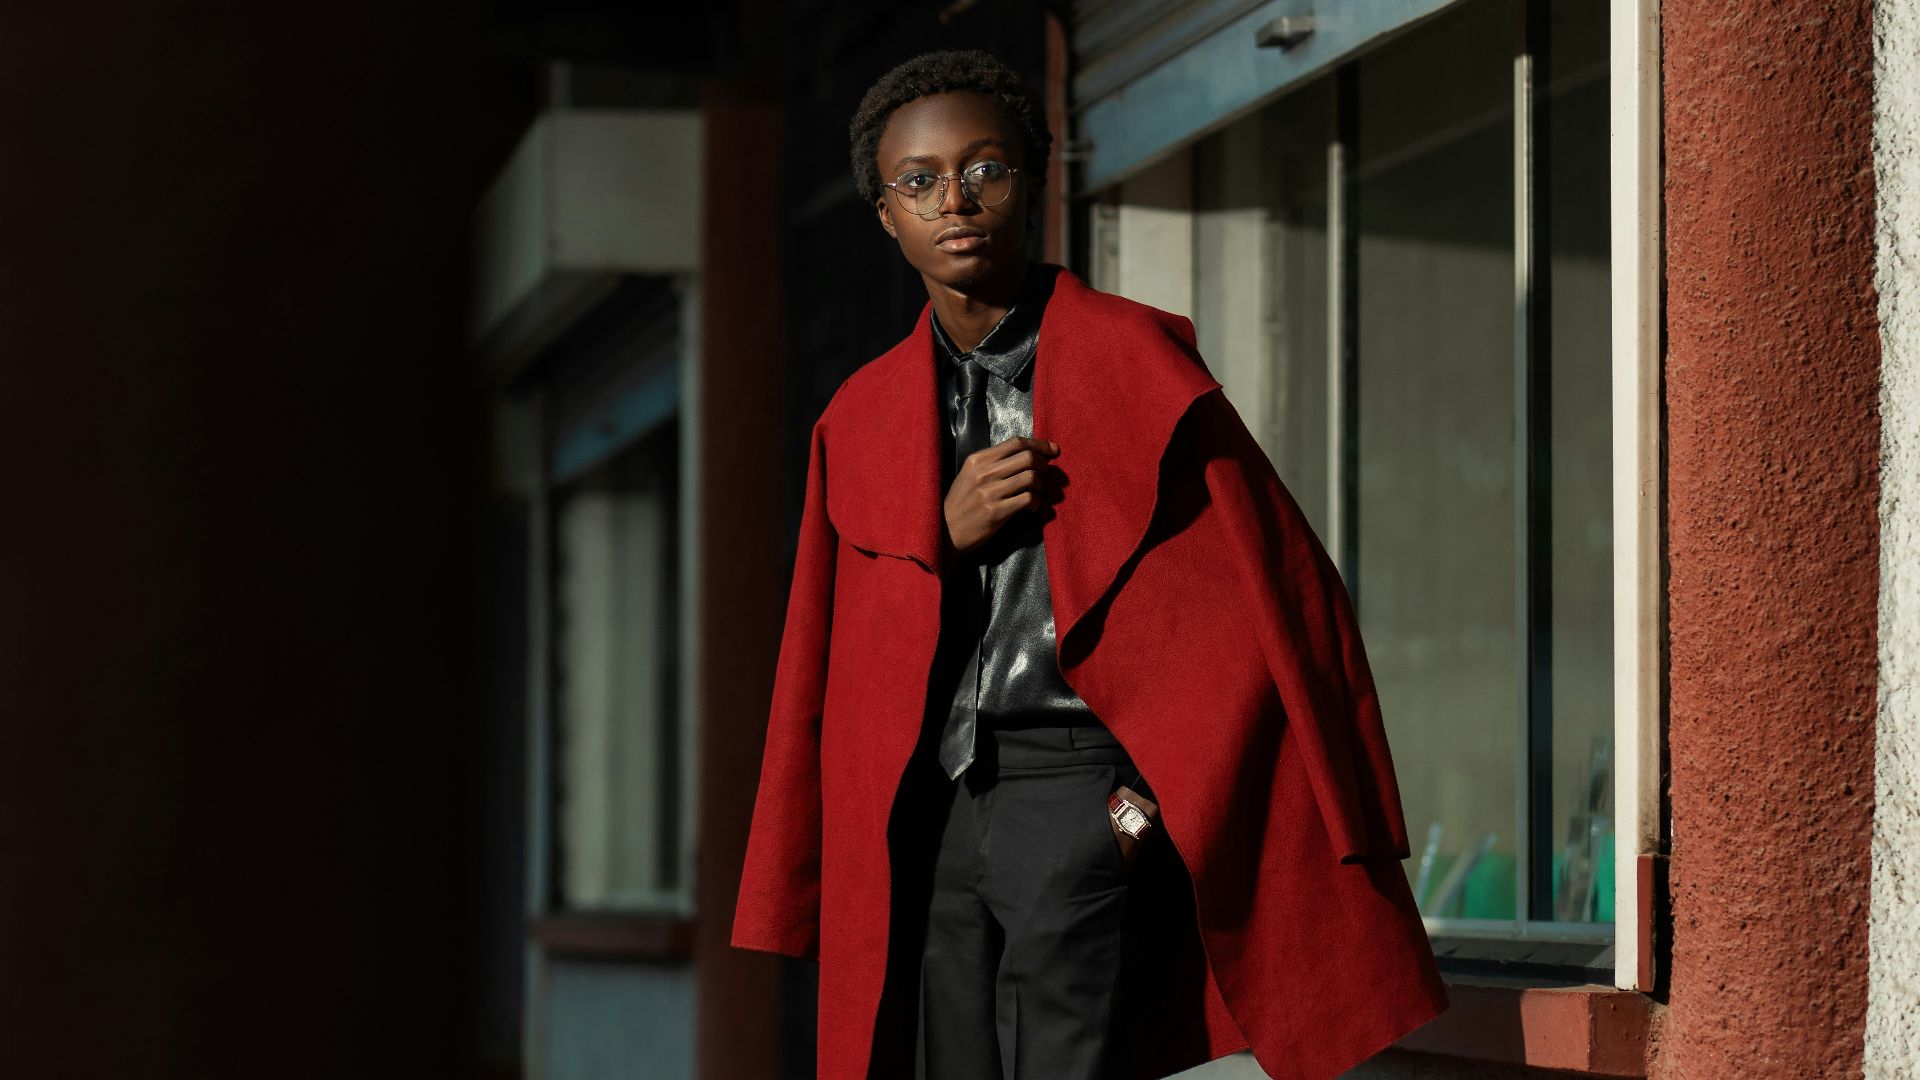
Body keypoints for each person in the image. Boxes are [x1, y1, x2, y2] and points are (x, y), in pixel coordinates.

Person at [732, 48, 1447, 1080]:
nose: (957, 199)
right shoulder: (861, 416)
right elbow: (827, 663)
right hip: (925, 807)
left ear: (1035, 176)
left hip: (1078, 789)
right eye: (920, 182)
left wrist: (1134, 807)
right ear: (885, 216)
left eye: (985, 167)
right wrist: (943, 532)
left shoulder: (1134, 362)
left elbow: (1272, 602)